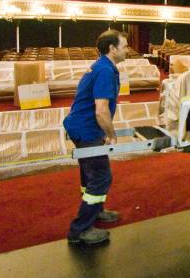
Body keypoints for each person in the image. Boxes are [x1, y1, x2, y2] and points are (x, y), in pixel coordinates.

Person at [63, 30, 127, 245]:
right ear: (112, 48)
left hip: (81, 126)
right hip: (87, 129)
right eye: (124, 46)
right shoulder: (105, 71)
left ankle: (97, 211)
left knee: (89, 174)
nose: (127, 50)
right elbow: (101, 110)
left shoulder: (102, 66)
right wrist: (111, 135)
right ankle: (80, 230)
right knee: (101, 177)